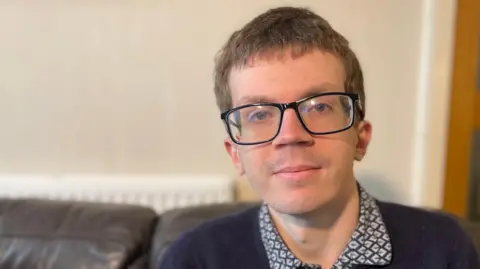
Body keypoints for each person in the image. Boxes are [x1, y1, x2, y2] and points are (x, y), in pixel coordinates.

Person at [159, 6, 479, 269]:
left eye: (319, 107)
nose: (290, 135)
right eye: (259, 113)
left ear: (360, 138)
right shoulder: (193, 259)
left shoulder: (445, 250)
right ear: (235, 154)